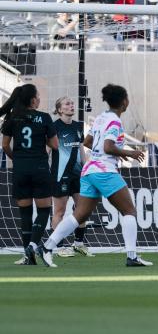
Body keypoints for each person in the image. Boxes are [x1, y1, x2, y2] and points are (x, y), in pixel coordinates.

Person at [39, 85, 152, 267]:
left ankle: (47, 247)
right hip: (104, 171)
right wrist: (128, 153)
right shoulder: (115, 121)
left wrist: (116, 153)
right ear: (124, 102)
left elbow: (88, 142)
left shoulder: (101, 118)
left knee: (79, 215)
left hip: (89, 170)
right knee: (129, 211)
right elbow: (107, 147)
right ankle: (132, 256)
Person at [1, 84, 58, 265]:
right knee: (43, 210)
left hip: (20, 169)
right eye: (38, 96)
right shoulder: (44, 117)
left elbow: (4, 146)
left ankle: (27, 257)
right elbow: (55, 145)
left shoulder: (12, 118)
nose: (40, 99)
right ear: (33, 100)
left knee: (25, 213)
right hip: (40, 168)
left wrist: (17, 158)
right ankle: (33, 245)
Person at [50, 96, 92, 258]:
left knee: (83, 209)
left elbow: (81, 149)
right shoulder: (53, 127)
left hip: (78, 176)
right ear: (60, 109)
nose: (71, 105)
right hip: (60, 176)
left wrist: (86, 168)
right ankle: (59, 247)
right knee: (59, 211)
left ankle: (79, 244)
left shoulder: (77, 126)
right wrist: (48, 174)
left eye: (72, 103)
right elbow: (48, 152)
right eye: (67, 104)